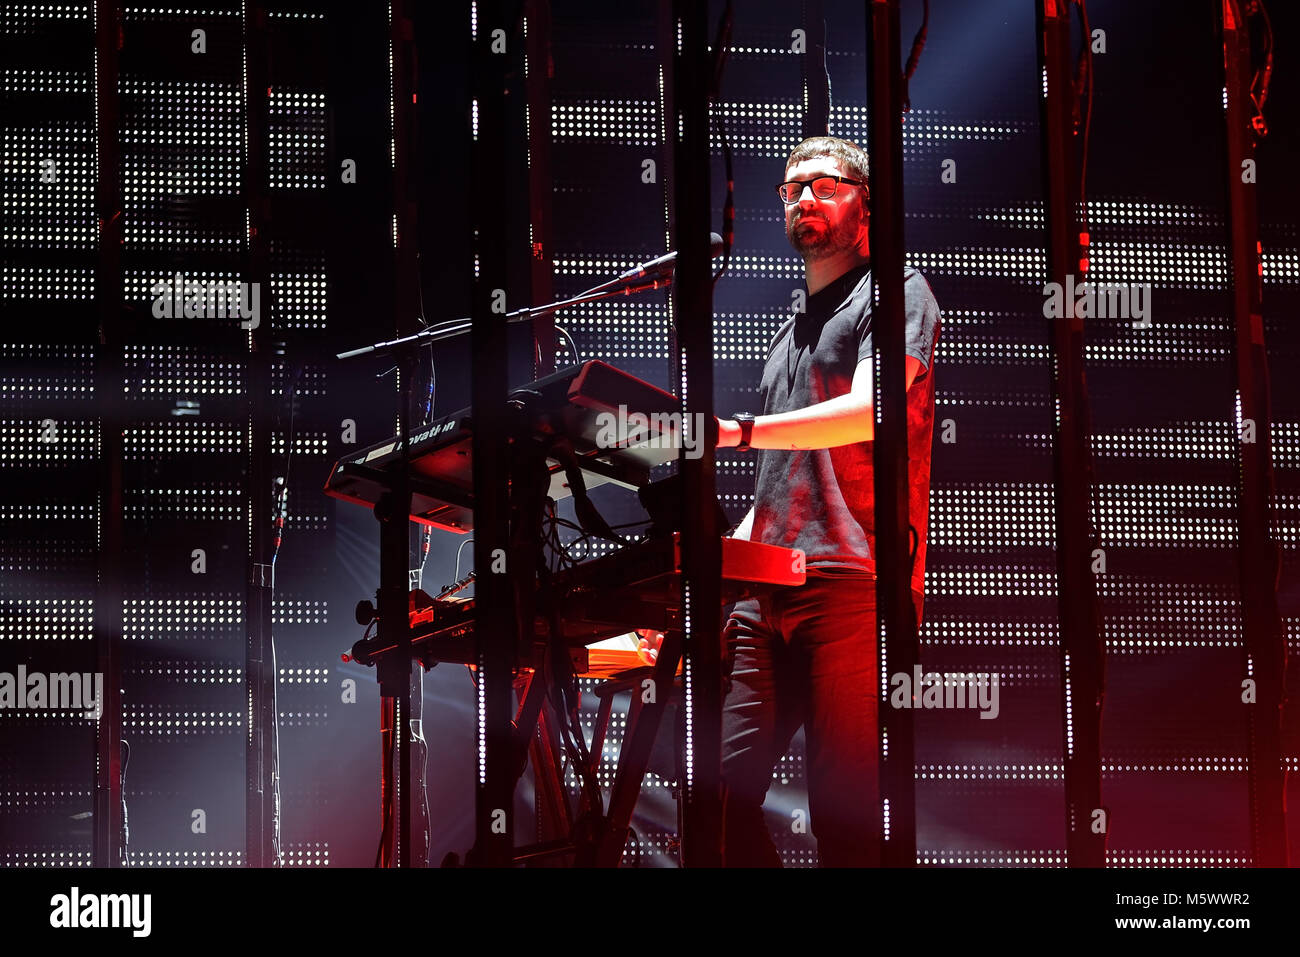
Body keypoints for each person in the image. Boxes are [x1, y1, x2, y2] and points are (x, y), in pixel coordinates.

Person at [711, 135, 942, 867]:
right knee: (717, 802)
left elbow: (868, 411)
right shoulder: (787, 335)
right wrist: (701, 574)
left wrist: (739, 430)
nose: (804, 197)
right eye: (791, 188)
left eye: (824, 185)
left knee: (840, 809)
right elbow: (778, 482)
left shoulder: (898, 291)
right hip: (765, 595)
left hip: (851, 582)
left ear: (865, 206)